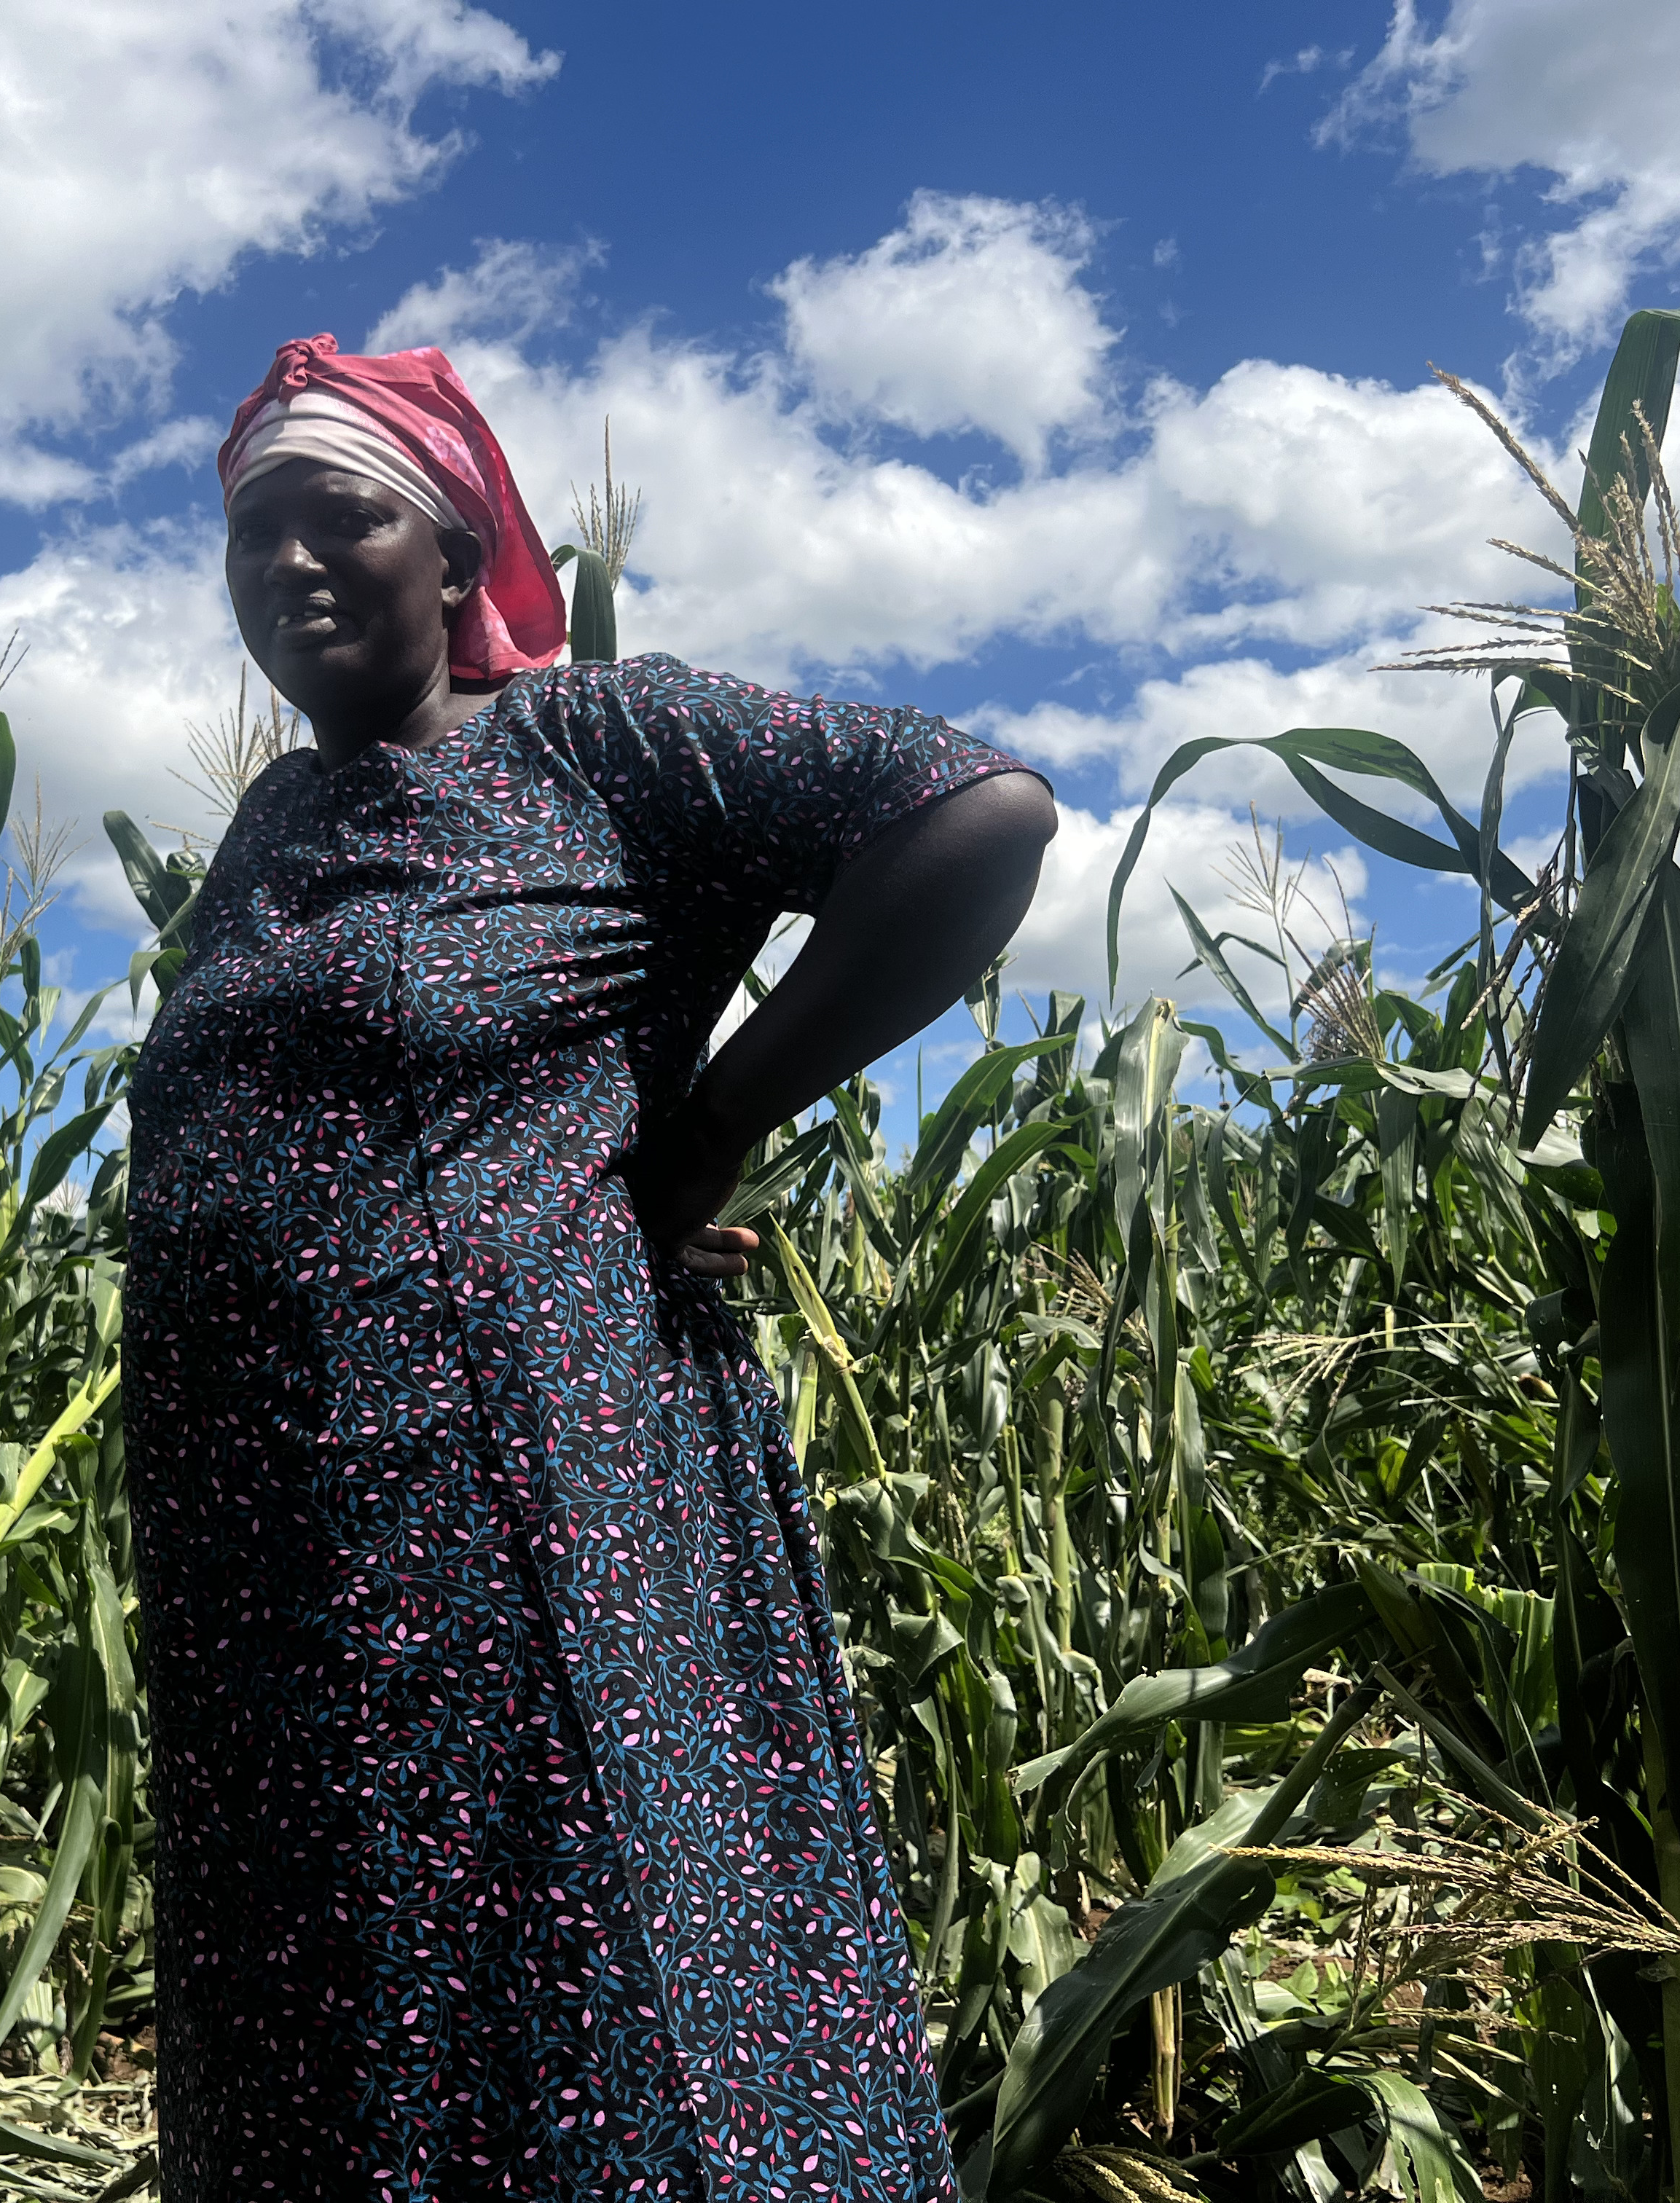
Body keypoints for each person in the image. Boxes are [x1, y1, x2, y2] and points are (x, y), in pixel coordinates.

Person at [124, 332, 1057, 2202]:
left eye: (344, 519)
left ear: (459, 559)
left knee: (592, 1970)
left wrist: (707, 1124)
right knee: (333, 1999)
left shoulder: (589, 741)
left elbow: (976, 813)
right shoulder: (268, 829)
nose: (293, 565)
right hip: (266, 1557)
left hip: (524, 1503)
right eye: (253, 538)